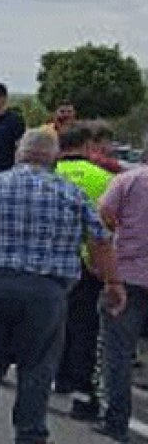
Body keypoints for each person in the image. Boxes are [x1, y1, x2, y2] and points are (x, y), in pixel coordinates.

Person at [0, 130, 126, 444]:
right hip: (46, 291)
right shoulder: (71, 193)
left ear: (18, 152)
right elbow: (99, 240)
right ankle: (29, 433)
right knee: (38, 365)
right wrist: (113, 281)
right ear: (54, 156)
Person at [52, 127, 115, 420]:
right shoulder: (102, 178)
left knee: (45, 321)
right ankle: (80, 391)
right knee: (83, 327)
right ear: (88, 145)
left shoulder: (48, 174)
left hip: (46, 260)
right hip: (84, 263)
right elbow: (106, 226)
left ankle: (52, 374)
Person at [95, 140, 148, 442]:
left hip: (127, 274)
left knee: (117, 351)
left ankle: (115, 419)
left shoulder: (128, 180)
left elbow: (104, 212)